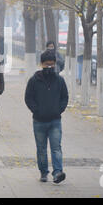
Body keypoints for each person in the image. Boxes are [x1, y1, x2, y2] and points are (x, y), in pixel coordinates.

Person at [24, 50, 68, 184]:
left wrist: (58, 110)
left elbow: (64, 97)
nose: (49, 67)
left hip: (55, 120)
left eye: (52, 65)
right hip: (39, 121)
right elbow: (28, 98)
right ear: (41, 64)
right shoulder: (34, 80)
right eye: (46, 65)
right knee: (41, 149)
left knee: (56, 148)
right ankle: (43, 172)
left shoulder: (59, 80)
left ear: (55, 64)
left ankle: (57, 173)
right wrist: (36, 111)